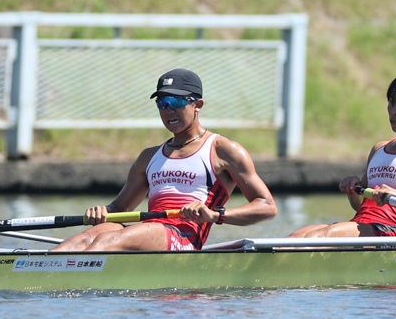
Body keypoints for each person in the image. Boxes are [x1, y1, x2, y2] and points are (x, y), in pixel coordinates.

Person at [52, 68, 279, 253]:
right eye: (162, 102)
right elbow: (120, 208)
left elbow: (267, 206)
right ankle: (44, 270)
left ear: (198, 105)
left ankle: (76, 276)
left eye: (176, 101)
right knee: (85, 238)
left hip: (184, 237)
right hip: (151, 233)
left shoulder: (223, 150)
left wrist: (215, 215)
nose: (168, 110)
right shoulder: (148, 157)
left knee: (106, 241)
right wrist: (102, 211)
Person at [292, 69, 396, 238]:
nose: (394, 111)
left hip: (394, 233)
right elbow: (360, 206)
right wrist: (354, 190)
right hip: (364, 226)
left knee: (317, 237)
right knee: (296, 237)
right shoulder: (379, 149)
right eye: (392, 103)